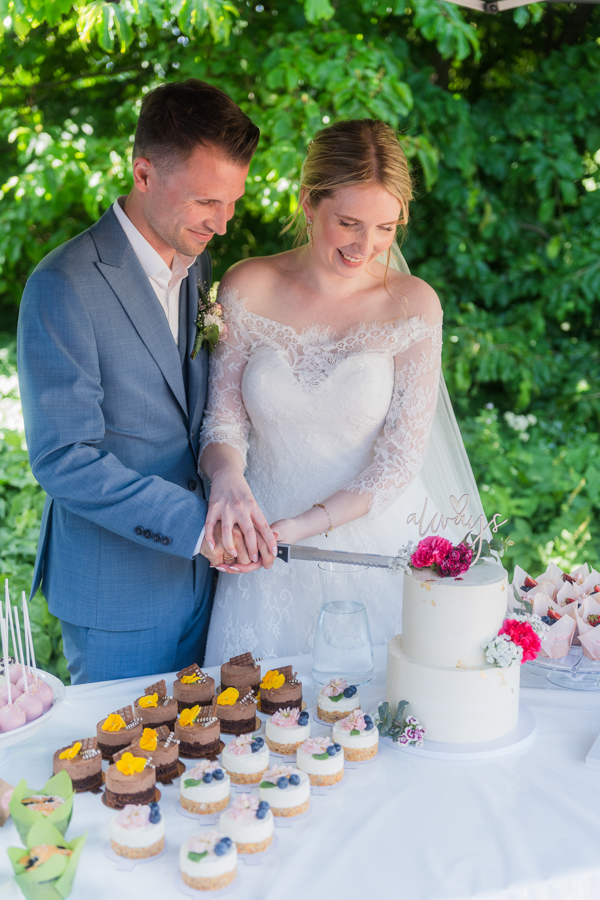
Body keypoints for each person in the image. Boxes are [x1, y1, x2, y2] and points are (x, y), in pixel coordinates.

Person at [17, 79, 272, 684]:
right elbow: (64, 458)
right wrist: (195, 527)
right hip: (118, 596)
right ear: (143, 174)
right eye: (207, 201)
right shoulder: (63, 284)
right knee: (123, 772)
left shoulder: (198, 260)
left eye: (232, 202)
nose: (224, 223)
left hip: (209, 587)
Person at [199, 118, 454, 663]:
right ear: (309, 202)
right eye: (349, 222)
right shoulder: (247, 285)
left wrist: (304, 526)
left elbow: (399, 461)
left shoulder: (413, 306)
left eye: (386, 228)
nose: (368, 245)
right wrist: (227, 482)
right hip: (261, 547)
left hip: (374, 546)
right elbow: (222, 423)